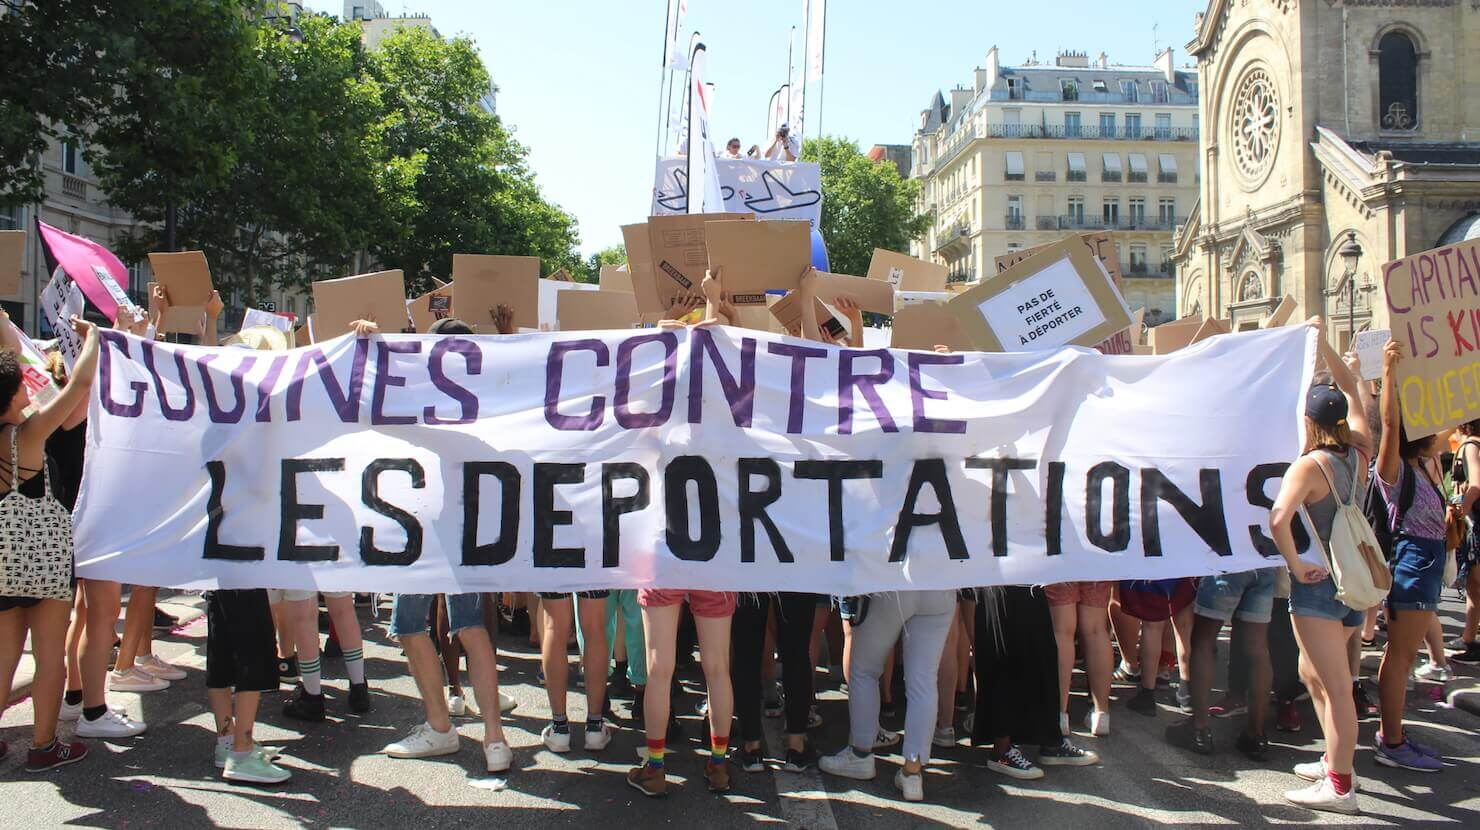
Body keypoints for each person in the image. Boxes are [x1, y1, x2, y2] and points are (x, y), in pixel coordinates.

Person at [373, 317, 512, 774]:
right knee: (471, 626)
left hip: (421, 527)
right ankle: (494, 739)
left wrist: (374, 344)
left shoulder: (419, 398)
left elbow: (371, 404)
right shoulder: (488, 400)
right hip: (466, 525)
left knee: (410, 622)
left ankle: (440, 726)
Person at [627, 276, 738, 798]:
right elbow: (728, 348)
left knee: (660, 666)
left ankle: (655, 765)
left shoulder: (653, 420)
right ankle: (718, 761)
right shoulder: (729, 421)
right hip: (715, 554)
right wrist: (714, 300)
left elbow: (635, 376)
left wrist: (660, 329)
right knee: (718, 666)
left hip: (663, 552)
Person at [1267, 323, 1373, 813]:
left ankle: (1341, 784)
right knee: (1312, 673)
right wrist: (1324, 343)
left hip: (1321, 584)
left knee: (1335, 687)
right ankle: (1334, 755)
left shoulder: (1307, 467)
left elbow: (1278, 518)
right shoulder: (1361, 452)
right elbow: (1354, 393)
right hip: (1355, 583)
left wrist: (1294, 562)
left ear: (1306, 421)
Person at [0, 315, 99, 770]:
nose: (28, 386)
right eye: (22, 383)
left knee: (2, 656)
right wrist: (99, 337)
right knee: (48, 655)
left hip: (1, 561)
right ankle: (44, 745)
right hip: (42, 561)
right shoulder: (29, 434)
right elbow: (77, 387)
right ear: (12, 395)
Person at [1369, 338, 1447, 773]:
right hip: (1414, 562)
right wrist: (1388, 375)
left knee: (1404, 655)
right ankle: (1392, 740)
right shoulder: (1394, 470)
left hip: (1426, 562)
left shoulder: (1424, 467)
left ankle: (1393, 734)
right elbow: (1390, 427)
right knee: (1400, 657)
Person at [536, 590, 612, 753]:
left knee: (554, 626)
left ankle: (559, 727)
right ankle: (595, 726)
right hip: (593, 564)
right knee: (594, 626)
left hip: (552, 563)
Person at [1044, 581, 1114, 736]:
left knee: (1062, 630)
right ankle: (1101, 714)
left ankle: (1059, 715)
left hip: (1061, 561)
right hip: (1096, 560)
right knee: (1096, 630)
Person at [1448, 419, 1480, 664]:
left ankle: (1469, 641)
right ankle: (1468, 637)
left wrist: (1460, 512)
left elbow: (1476, 485)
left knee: (1475, 584)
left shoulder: (1470, 445)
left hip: (1475, 522)